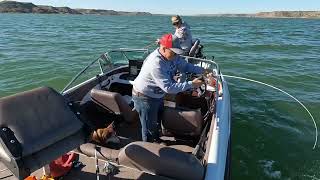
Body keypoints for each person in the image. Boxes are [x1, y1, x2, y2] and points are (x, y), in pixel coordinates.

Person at [132, 33, 206, 142]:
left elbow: (185, 65)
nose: (176, 56)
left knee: (157, 120)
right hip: (144, 97)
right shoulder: (156, 63)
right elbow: (168, 88)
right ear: (164, 48)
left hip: (157, 95)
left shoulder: (172, 56)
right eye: (174, 52)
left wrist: (203, 70)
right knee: (148, 128)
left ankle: (156, 139)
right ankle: (149, 148)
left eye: (177, 53)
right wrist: (192, 84)